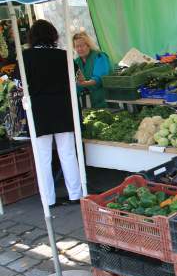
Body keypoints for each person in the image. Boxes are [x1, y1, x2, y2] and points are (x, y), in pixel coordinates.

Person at [20, 20, 82, 207]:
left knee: (43, 158)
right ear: (53, 35)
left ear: (32, 37)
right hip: (63, 108)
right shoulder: (63, 56)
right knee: (69, 153)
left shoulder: (25, 57)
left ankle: (48, 200)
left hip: (38, 111)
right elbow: (76, 78)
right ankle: (75, 195)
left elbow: (20, 86)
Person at [73, 31, 110, 108]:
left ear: (88, 45)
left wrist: (83, 83)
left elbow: (99, 78)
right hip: (87, 103)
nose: (79, 49)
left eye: (82, 46)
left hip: (104, 99)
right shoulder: (76, 62)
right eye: (77, 46)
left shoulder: (99, 56)